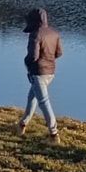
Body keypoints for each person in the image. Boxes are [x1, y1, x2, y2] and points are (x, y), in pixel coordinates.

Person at [16, 8, 63, 144]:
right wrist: (48, 59)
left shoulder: (35, 34)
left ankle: (54, 135)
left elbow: (33, 56)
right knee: (32, 97)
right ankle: (22, 125)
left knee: (43, 102)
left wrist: (26, 62)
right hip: (50, 72)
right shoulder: (54, 33)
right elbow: (59, 53)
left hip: (38, 73)